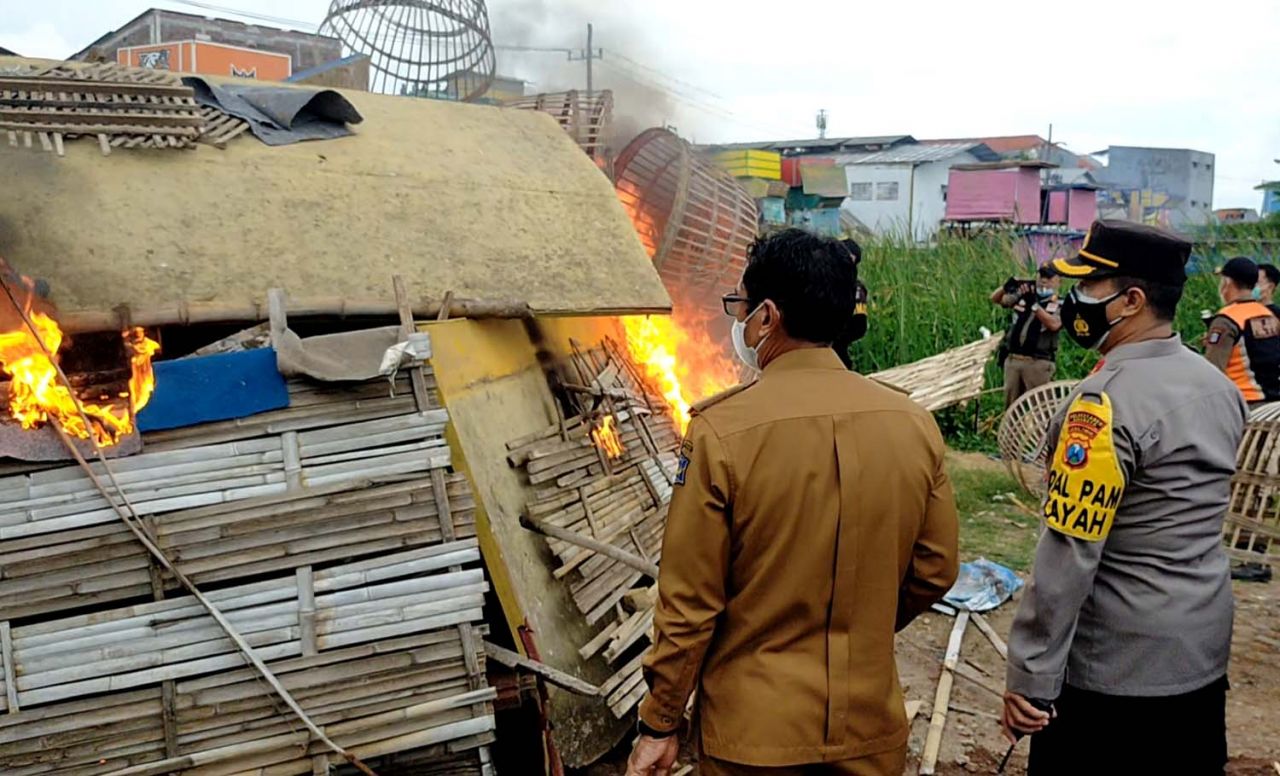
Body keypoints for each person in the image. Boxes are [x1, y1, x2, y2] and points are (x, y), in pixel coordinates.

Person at [626, 228, 959, 776]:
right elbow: (936, 569)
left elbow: (689, 605)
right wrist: (858, 624)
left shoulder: (720, 432)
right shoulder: (912, 423)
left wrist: (659, 723)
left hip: (753, 739)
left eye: (740, 306)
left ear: (767, 317)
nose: (738, 321)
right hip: (871, 734)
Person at [1004, 219, 1245, 775]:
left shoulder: (1102, 404)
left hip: (1114, 673)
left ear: (1131, 300)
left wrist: (1030, 675)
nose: (1074, 300)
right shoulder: (1216, 386)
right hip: (1200, 653)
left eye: (1088, 287)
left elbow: (1069, 554)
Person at [1204, 256, 1280, 405]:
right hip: (1274, 403)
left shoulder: (1226, 320)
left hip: (1244, 402)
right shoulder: (1268, 315)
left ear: (1227, 283)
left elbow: (1212, 371)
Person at [991, 265, 1062, 411]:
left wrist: (1034, 306)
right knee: (1011, 409)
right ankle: (1011, 433)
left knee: (1040, 409)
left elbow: (1054, 325)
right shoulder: (1022, 296)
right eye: (1041, 276)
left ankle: (1040, 434)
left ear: (1058, 281)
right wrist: (1006, 287)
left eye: (1048, 278)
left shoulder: (1060, 303)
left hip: (1037, 363)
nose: (1043, 281)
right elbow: (996, 299)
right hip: (1014, 360)